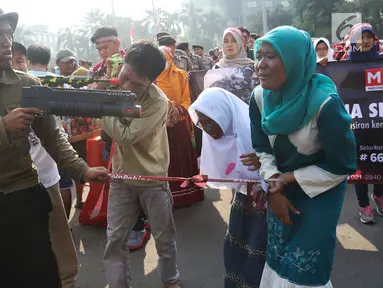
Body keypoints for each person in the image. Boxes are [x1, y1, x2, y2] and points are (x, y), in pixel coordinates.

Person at [0, 9, 109, 287]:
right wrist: (4, 127)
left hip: (21, 194)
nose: (6, 42)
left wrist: (82, 170)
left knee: (39, 273)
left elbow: (53, 137)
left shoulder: (27, 84)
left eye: (8, 34)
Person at [251, 26, 356, 287]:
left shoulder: (326, 105)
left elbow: (342, 165)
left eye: (271, 57)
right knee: (278, 258)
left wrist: (287, 178)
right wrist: (274, 186)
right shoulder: (259, 96)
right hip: (280, 190)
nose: (260, 66)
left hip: (320, 191)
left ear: (295, 60)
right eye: (259, 55)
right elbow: (261, 147)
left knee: (305, 268)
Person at [100, 40, 180, 288]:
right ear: (124, 65)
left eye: (137, 83)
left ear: (151, 81)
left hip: (153, 179)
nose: (128, 86)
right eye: (126, 77)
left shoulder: (158, 102)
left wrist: (102, 110)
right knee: (115, 240)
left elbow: (125, 137)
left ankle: (171, 280)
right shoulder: (113, 88)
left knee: (164, 237)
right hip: (122, 178)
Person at [189, 87, 267, 287]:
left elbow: (278, 165)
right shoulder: (222, 131)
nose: (206, 129)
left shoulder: (254, 130)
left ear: (223, 114)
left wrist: (264, 163)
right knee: (236, 245)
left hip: (267, 203)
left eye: (210, 122)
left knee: (258, 249)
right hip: (242, 199)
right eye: (202, 123)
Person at [24, 43, 79, 288]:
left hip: (45, 168)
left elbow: (52, 133)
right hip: (44, 166)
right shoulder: (56, 81)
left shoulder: (27, 82)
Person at [343, 24, 383, 223]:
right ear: (353, 41)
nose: (365, 41)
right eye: (361, 37)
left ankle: (379, 195)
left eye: (369, 36)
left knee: (380, 160)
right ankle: (364, 205)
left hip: (379, 124)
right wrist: (324, 66)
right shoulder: (345, 65)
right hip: (357, 126)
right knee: (360, 163)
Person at [157, 46, 201, 207]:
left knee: (181, 159)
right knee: (163, 161)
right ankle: (163, 198)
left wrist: (177, 110)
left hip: (180, 125)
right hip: (159, 128)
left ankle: (187, 195)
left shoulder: (181, 76)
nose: (162, 63)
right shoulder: (151, 79)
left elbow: (188, 99)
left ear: (170, 58)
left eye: (164, 58)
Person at [212, 27, 257, 104]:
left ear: (240, 43)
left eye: (234, 41)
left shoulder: (252, 67)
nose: (229, 45)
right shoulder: (217, 67)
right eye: (226, 41)